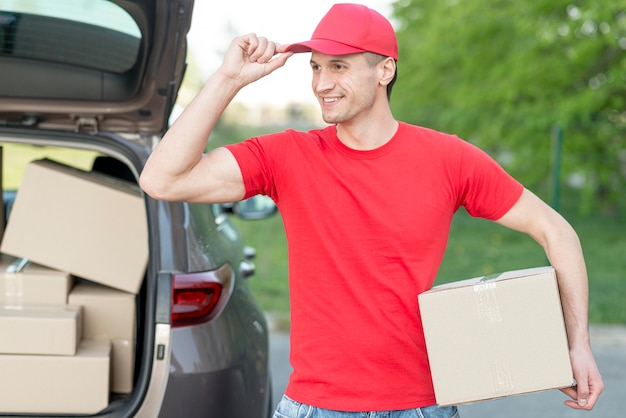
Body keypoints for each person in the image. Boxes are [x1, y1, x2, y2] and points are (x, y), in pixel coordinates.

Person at [139, 3, 604, 417]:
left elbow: (556, 230)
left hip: (421, 405)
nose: (321, 84)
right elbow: (162, 179)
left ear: (384, 71)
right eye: (315, 67)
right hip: (314, 405)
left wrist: (576, 343)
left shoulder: (449, 159)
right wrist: (228, 80)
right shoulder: (286, 156)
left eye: (338, 67)